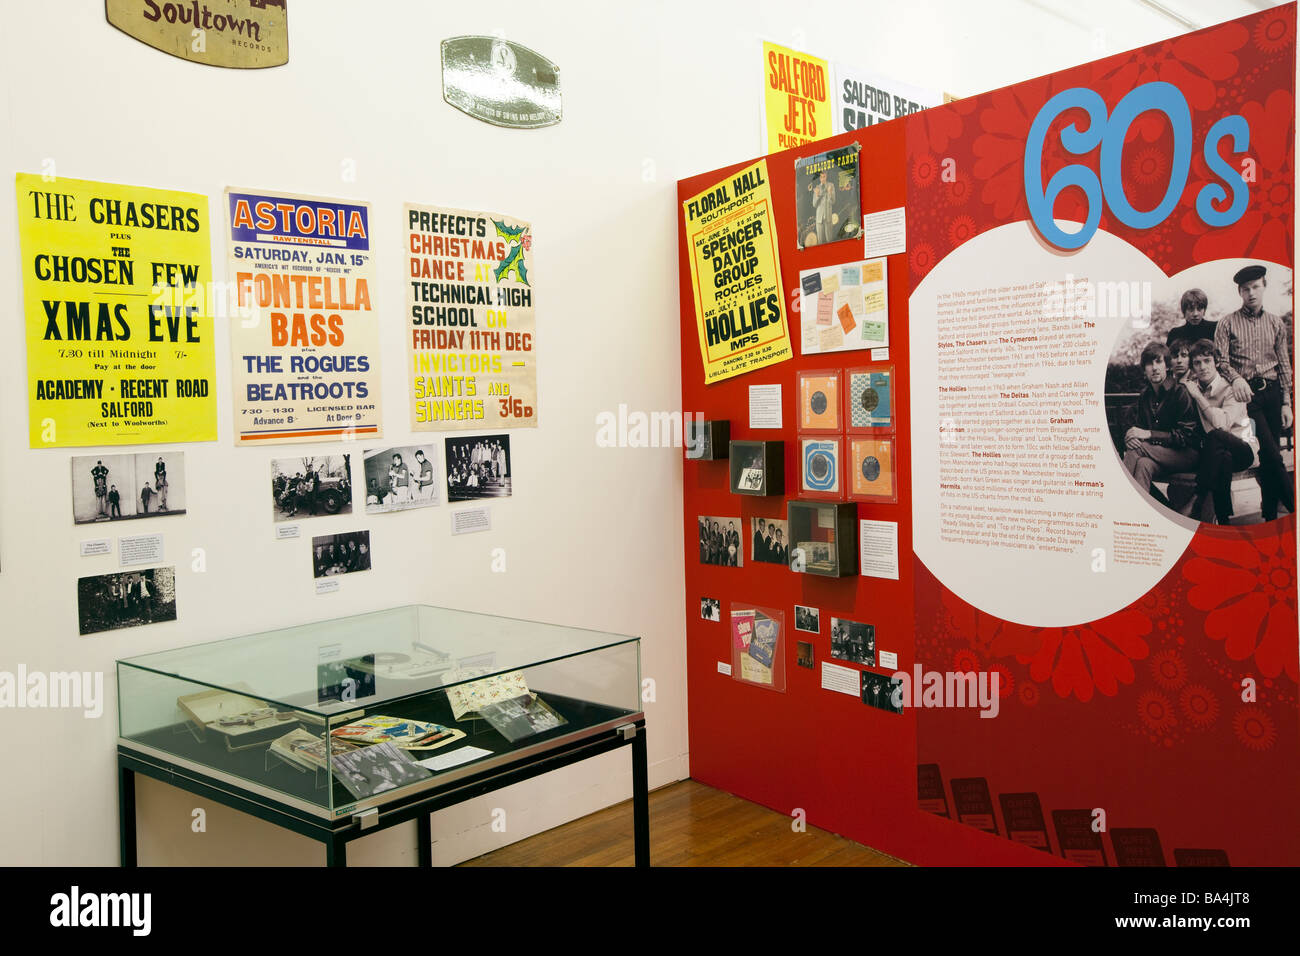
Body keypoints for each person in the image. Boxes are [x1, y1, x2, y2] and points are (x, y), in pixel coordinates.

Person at [1213, 264, 1295, 521]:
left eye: (1256, 287)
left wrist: (1286, 403)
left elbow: (1284, 365)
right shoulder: (1227, 323)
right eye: (1246, 289)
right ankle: (1295, 510)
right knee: (1271, 455)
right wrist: (1237, 379)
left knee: (1272, 460)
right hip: (1247, 399)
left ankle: (1270, 515)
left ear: (1264, 287)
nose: (1251, 293)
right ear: (1240, 292)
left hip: (1272, 394)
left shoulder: (1276, 323)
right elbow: (1220, 361)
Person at [1179, 340, 1257, 524]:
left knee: (1216, 436)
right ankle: (1224, 520)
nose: (1202, 367)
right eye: (1197, 363)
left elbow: (1221, 425)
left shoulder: (1231, 389)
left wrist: (1198, 397)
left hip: (1243, 449)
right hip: (1217, 454)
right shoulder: (1192, 386)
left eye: (1207, 361)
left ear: (1216, 363)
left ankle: (1197, 497)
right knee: (1223, 458)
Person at [1122, 343, 1201, 499]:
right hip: (1157, 454)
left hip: (1186, 455)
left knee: (1137, 451)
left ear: (1167, 366)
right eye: (1149, 364)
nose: (1155, 368)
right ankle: (1152, 512)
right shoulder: (1145, 396)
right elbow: (1140, 430)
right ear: (1144, 370)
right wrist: (1130, 438)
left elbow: (1186, 436)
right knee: (1144, 464)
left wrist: (1149, 434)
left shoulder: (1180, 392)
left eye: (1159, 362)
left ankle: (1119, 501)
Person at [812, 168, 836, 245]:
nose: (822, 179)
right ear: (819, 177)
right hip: (819, 218)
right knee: (820, 242)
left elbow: (833, 202)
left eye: (824, 176)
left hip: (828, 217)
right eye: (821, 177)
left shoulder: (831, 185)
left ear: (826, 176)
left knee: (830, 240)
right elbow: (814, 204)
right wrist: (817, 195)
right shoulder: (817, 188)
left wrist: (829, 193)